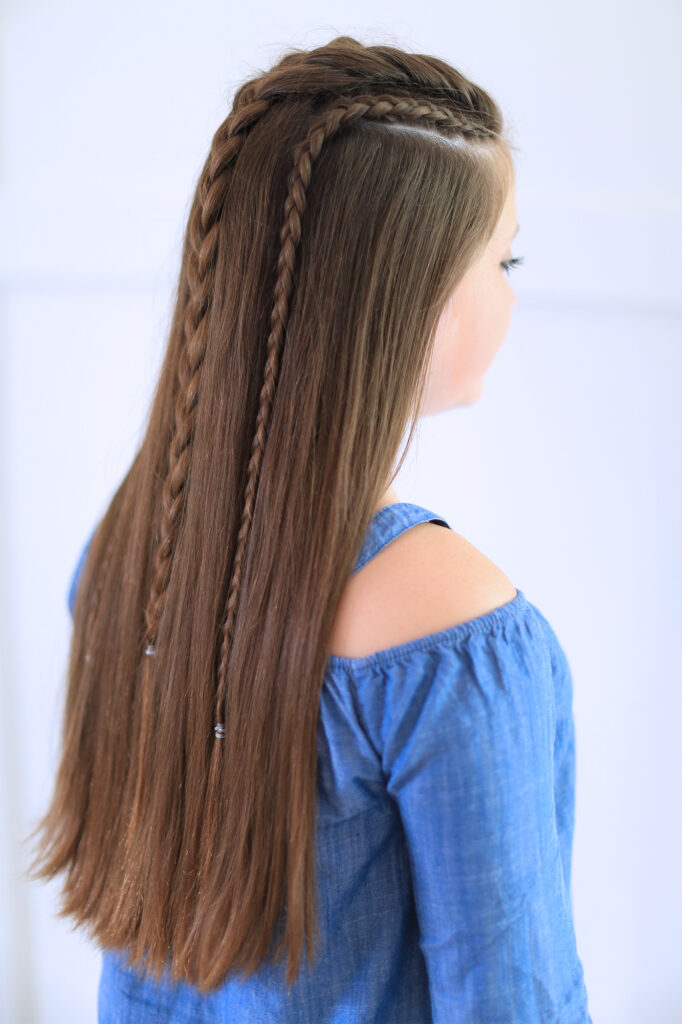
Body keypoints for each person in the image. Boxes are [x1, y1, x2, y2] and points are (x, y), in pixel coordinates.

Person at [24, 35, 593, 1022]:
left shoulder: (126, 550)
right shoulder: (446, 623)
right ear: (408, 293)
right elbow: (512, 997)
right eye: (502, 257)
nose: (509, 290)